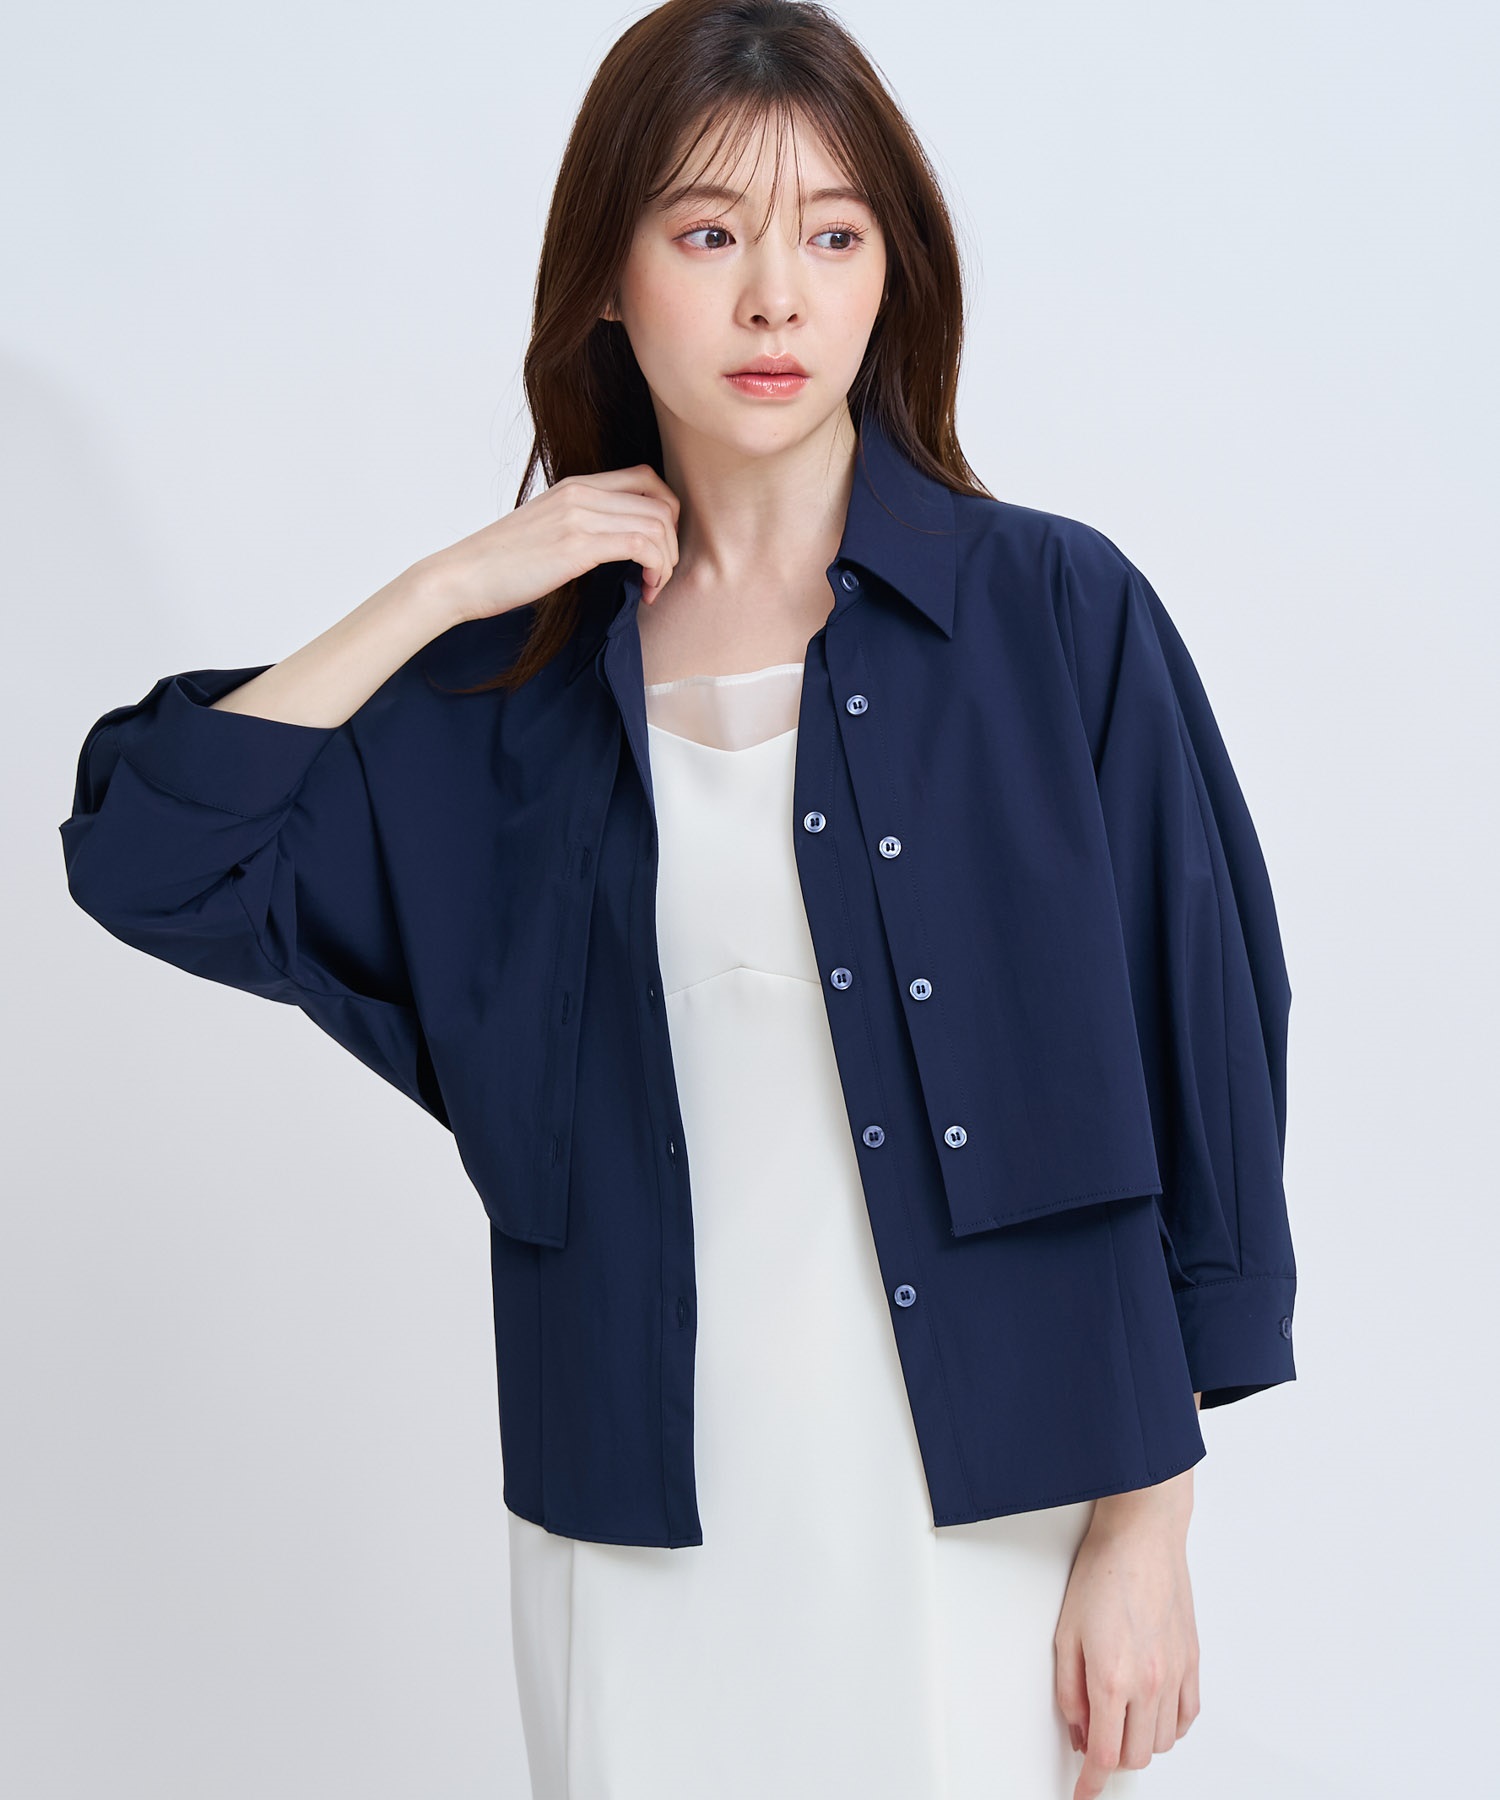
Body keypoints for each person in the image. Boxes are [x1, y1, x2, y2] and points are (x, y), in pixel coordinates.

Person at [58, 3, 1300, 1797]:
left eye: (835, 237)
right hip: (638, 1521)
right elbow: (150, 852)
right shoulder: (510, 700)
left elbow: (1213, 1041)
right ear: (608, 279)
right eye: (712, 235)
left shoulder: (1055, 615)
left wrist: (1148, 1525)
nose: (777, 299)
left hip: (995, 1504)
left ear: (893, 274)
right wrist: (443, 590)